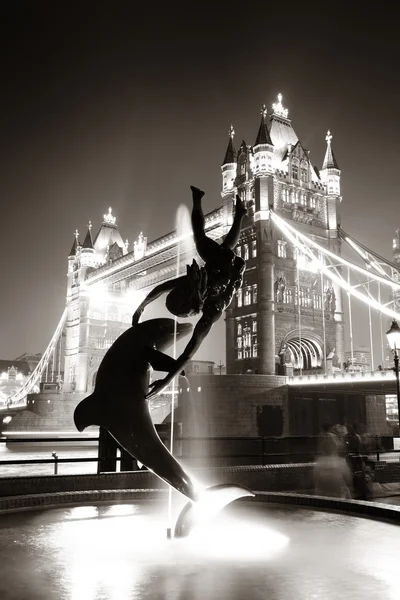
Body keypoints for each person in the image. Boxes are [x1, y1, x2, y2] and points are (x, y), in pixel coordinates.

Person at [132, 186, 247, 398]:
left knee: (202, 238)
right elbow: (187, 354)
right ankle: (237, 213)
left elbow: (159, 288)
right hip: (229, 269)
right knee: (219, 245)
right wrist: (166, 383)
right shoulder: (214, 309)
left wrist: (141, 307)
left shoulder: (193, 283)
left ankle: (209, 203)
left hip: (220, 265)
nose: (190, 284)